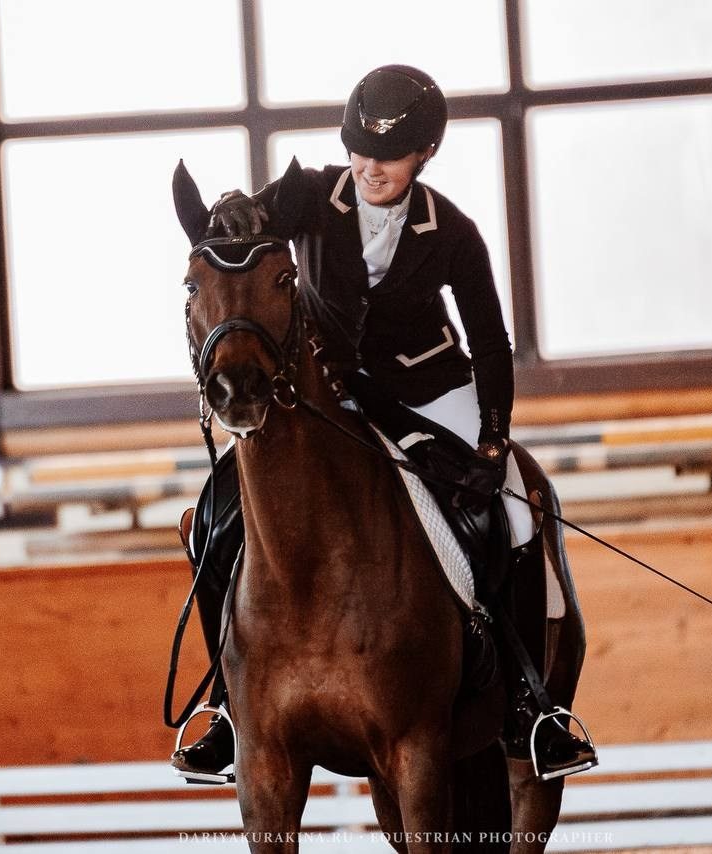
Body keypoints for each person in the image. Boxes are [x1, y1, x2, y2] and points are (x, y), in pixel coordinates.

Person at [172, 64, 596, 783]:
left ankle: (531, 707)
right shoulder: (313, 196)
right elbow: (247, 234)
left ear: (425, 153)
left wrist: (494, 436)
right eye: (359, 153)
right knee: (215, 510)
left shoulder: (451, 231)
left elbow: (491, 342)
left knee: (517, 512)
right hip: (330, 395)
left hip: (430, 389)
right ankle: (223, 704)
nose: (370, 170)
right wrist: (229, 212)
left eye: (388, 158)